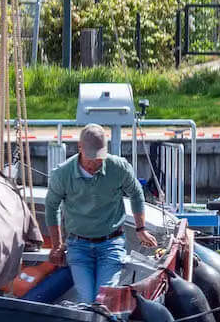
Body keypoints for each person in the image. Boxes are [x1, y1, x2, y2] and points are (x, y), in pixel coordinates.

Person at [46, 124, 156, 304]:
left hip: (111, 243)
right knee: (86, 298)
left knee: (103, 299)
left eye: (99, 159)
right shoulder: (62, 174)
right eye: (90, 159)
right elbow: (52, 207)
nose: (94, 164)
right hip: (78, 244)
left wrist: (140, 228)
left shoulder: (119, 167)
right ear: (79, 148)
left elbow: (136, 193)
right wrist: (57, 245)